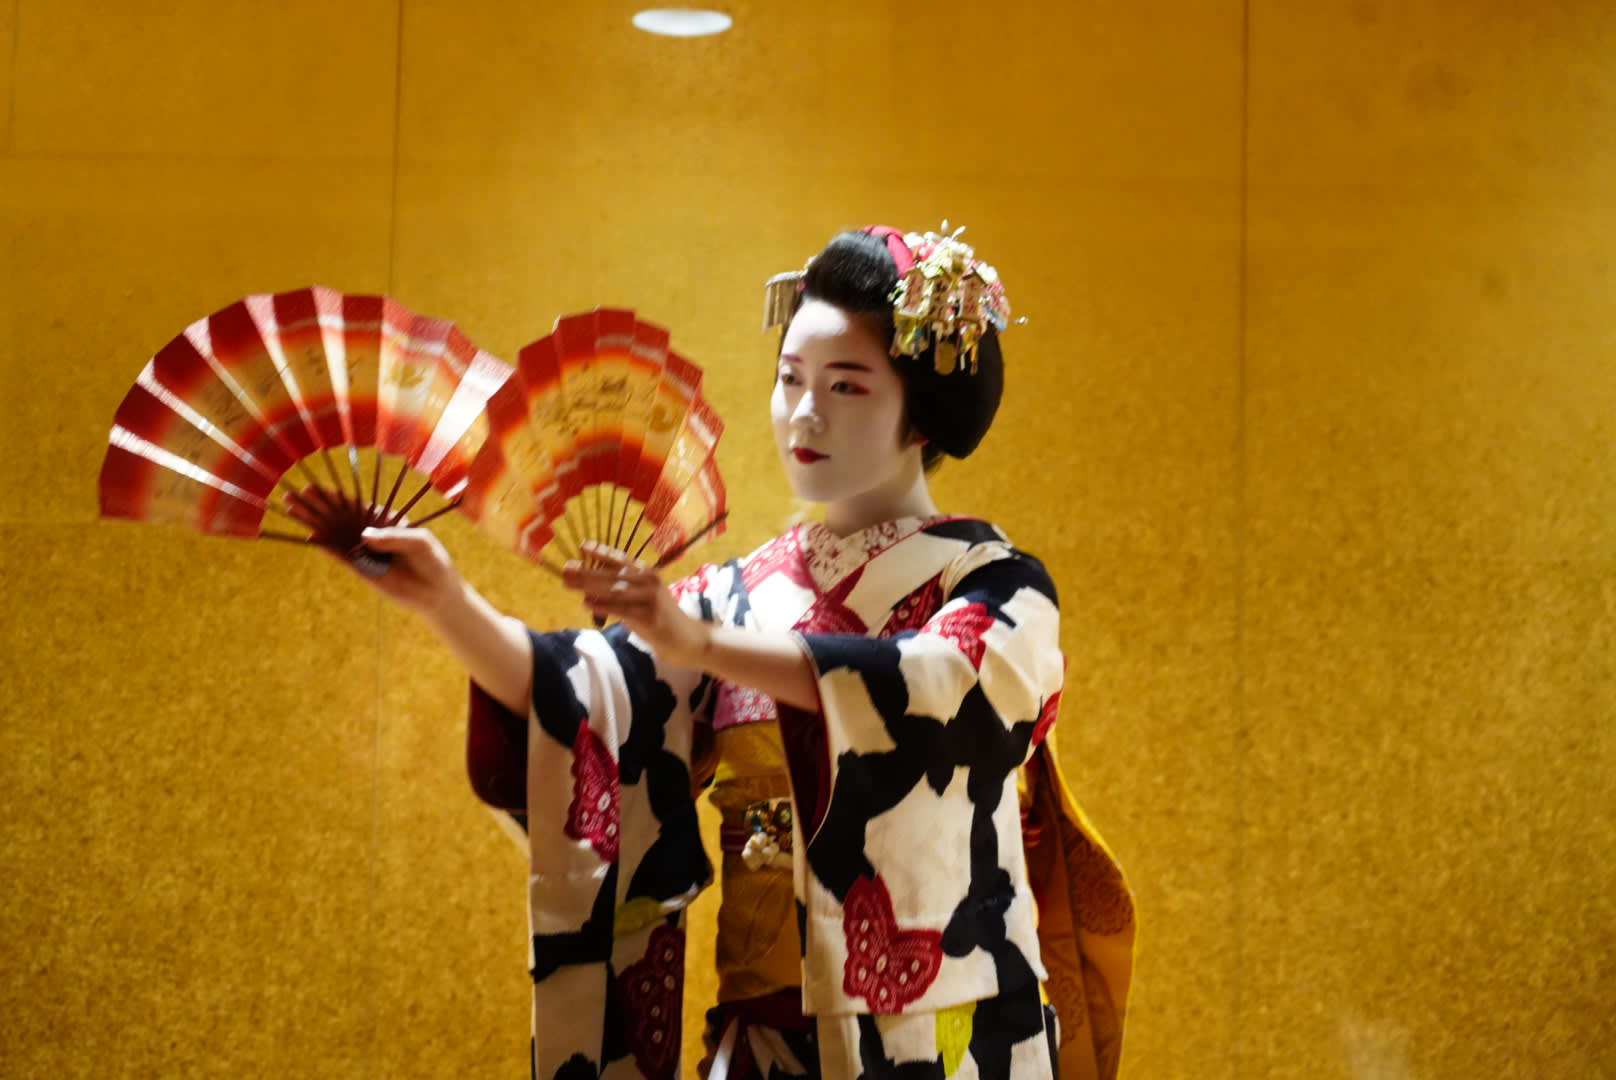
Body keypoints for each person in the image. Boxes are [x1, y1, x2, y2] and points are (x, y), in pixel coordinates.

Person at [338, 226, 1135, 1080]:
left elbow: (942, 686)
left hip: (945, 1041)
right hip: (762, 1043)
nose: (805, 412)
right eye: (790, 379)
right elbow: (591, 701)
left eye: (846, 385)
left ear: (923, 412)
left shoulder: (993, 585)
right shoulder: (738, 596)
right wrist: (445, 600)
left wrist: (705, 644)